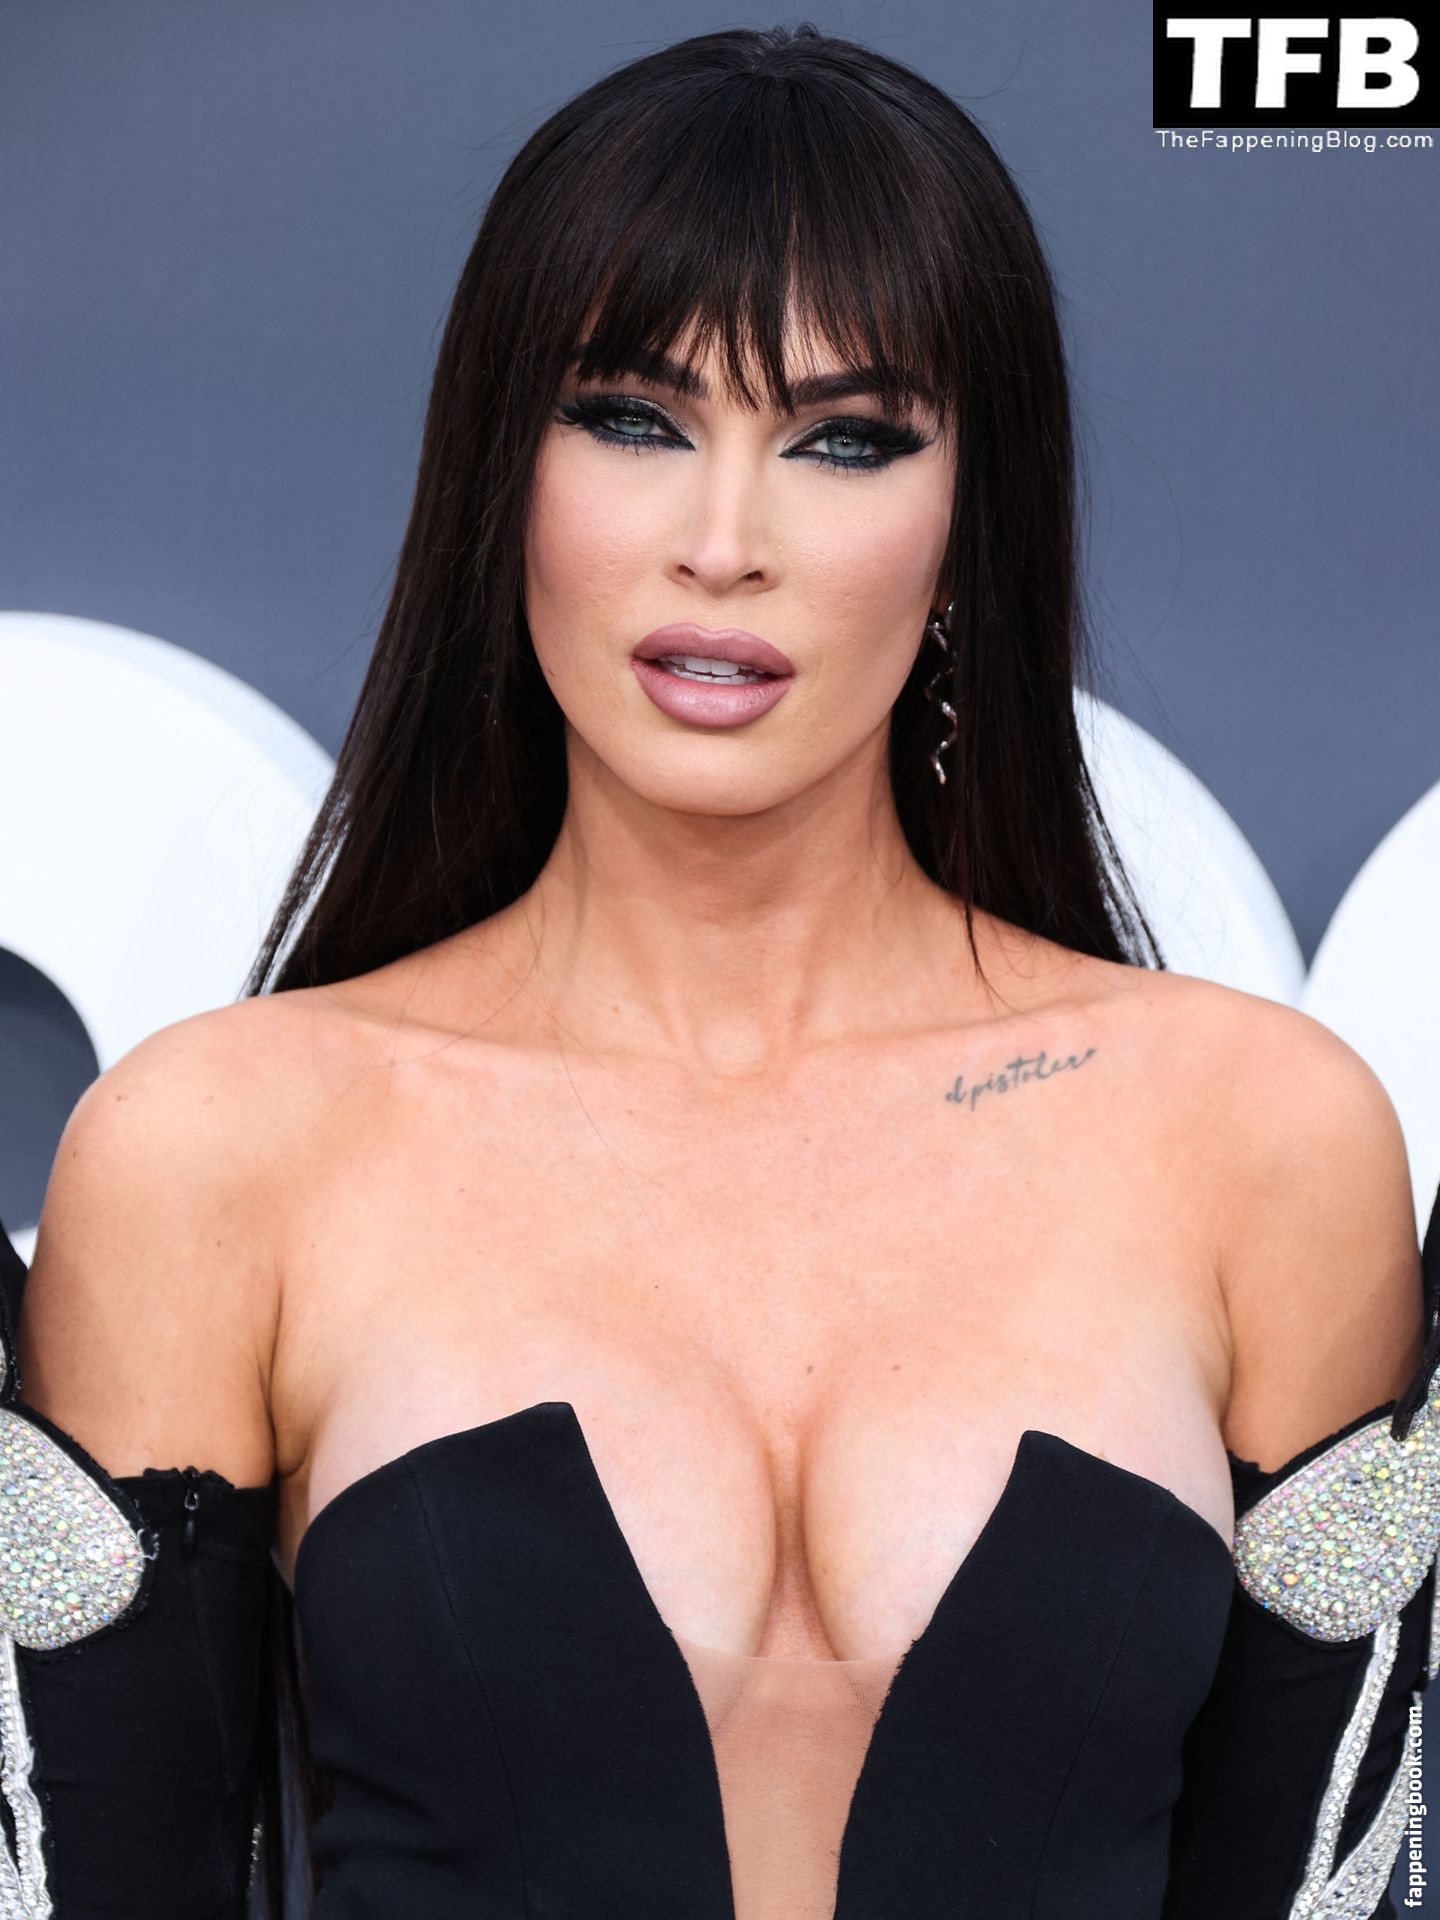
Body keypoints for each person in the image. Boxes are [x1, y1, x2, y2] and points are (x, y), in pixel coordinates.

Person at [2, 21, 1436, 1919]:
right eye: (633, 419)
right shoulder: (219, 1153)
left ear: (969, 529)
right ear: (503, 472)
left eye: (844, 441)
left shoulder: (1261, 1141)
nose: (722, 543)